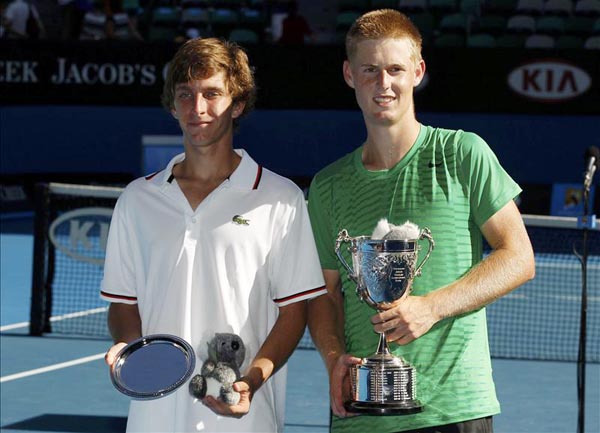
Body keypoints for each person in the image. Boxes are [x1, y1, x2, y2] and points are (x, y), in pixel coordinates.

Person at [306, 9, 535, 433]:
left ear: (418, 71)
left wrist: (431, 307)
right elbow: (325, 293)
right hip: (360, 414)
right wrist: (334, 356)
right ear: (349, 74)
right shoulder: (326, 186)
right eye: (369, 69)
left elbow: (519, 256)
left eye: (395, 69)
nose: (383, 83)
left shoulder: (463, 153)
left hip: (454, 409)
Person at [102, 37, 326, 433]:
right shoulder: (137, 200)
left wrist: (250, 382)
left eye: (212, 94)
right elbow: (123, 304)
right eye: (185, 95)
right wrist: (130, 348)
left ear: (237, 104)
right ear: (172, 104)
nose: (197, 108)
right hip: (153, 419)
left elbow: (294, 313)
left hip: (244, 420)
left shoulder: (281, 198)